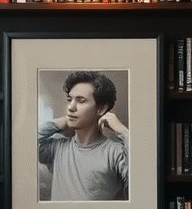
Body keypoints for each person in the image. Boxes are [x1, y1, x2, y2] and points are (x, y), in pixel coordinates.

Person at [38, 70, 129, 201]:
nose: (71, 107)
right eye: (70, 100)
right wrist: (62, 123)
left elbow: (142, 182)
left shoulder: (116, 152)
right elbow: (26, 143)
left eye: (81, 101)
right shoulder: (57, 147)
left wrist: (123, 131)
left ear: (101, 109)